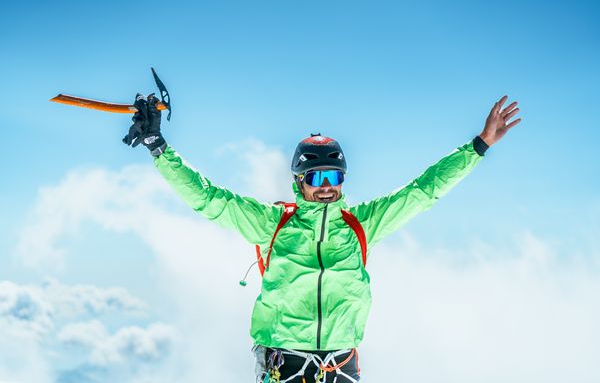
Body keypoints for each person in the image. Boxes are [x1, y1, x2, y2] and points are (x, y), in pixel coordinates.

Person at [123, 94, 521, 382]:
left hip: (341, 365)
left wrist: (479, 146)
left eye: (334, 176)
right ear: (300, 181)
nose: (326, 186)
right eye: (316, 177)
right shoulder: (272, 223)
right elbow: (208, 198)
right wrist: (159, 148)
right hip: (284, 363)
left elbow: (423, 191)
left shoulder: (362, 223)